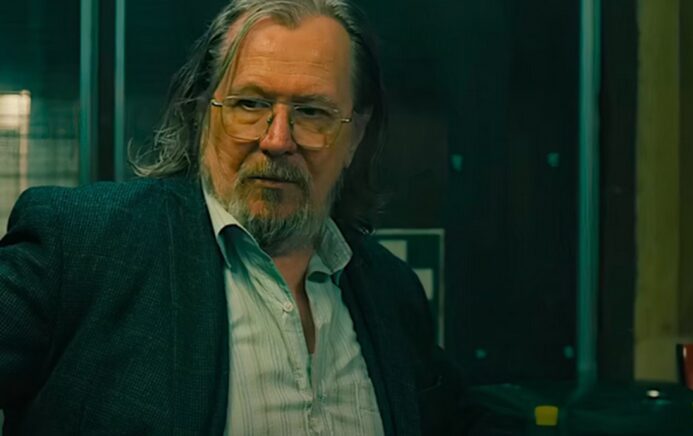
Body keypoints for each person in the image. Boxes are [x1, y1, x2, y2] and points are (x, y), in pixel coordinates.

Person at [0, 0, 473, 434]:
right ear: (203, 113)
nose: (277, 140)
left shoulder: (393, 293)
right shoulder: (81, 247)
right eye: (250, 104)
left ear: (354, 136)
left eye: (312, 112)